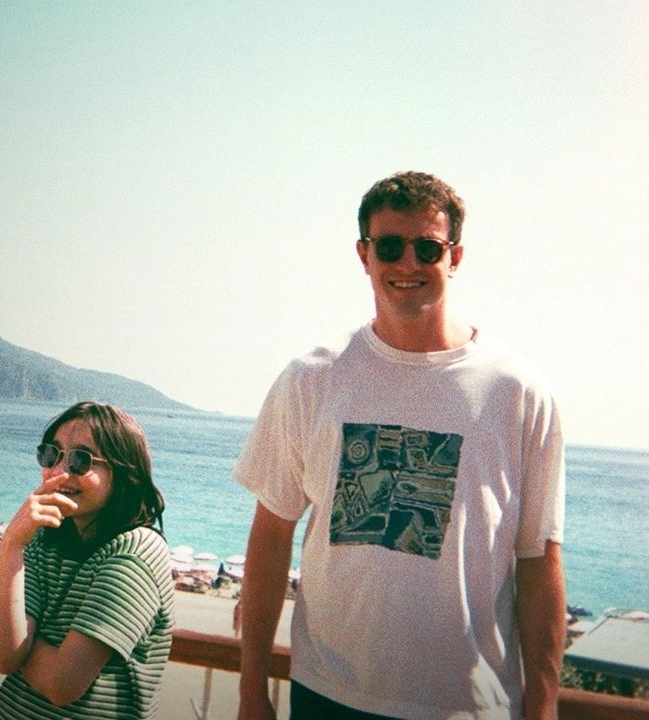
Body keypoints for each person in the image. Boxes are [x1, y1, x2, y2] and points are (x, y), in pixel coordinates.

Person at [235, 171, 566, 720]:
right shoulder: (312, 379)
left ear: (455, 257)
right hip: (328, 696)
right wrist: (252, 692)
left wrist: (545, 704)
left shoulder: (517, 391)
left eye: (427, 248)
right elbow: (271, 535)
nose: (408, 263)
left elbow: (538, 558)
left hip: (469, 705)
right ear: (364, 255)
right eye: (389, 246)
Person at [0, 401, 174, 719]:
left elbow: (61, 684)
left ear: (124, 472)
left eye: (80, 460)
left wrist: (26, 649)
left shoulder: (137, 551)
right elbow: (4, 656)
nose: (60, 472)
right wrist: (12, 545)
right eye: (52, 455)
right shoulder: (44, 538)